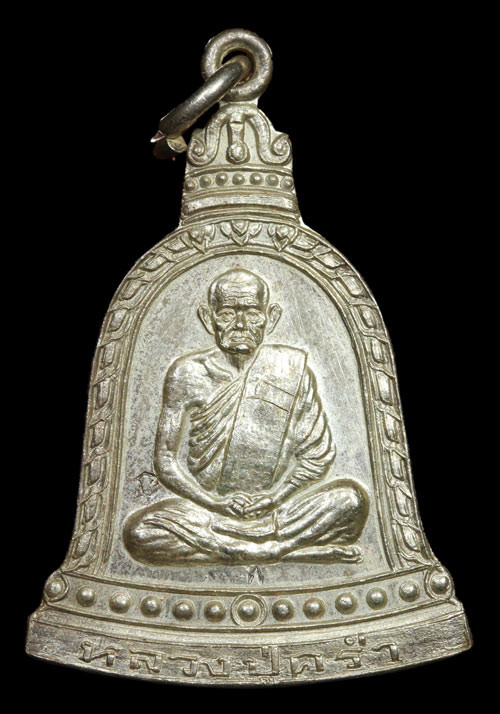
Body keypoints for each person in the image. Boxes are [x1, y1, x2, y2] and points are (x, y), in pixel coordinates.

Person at [124, 268, 368, 565]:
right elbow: (164, 460)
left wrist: (274, 498)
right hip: (207, 513)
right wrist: (215, 503)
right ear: (208, 317)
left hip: (277, 511)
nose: (240, 325)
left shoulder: (291, 369)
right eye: (227, 313)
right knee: (138, 532)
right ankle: (279, 551)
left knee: (351, 500)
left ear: (271, 318)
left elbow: (316, 457)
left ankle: (240, 549)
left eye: (252, 313)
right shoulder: (187, 373)